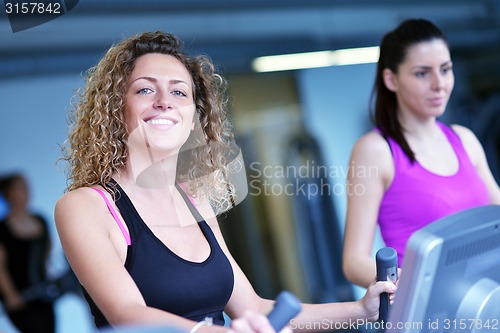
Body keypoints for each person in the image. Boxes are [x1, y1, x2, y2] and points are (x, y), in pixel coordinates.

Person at [54, 31, 396, 332]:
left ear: (191, 119)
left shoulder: (195, 201)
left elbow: (254, 309)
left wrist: (361, 310)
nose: (163, 102)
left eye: (178, 93)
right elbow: (129, 314)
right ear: (117, 107)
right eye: (145, 90)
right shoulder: (87, 207)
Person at [342, 18, 500, 288]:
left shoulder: (465, 139)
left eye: (446, 69)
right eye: (422, 73)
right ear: (391, 79)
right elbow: (354, 262)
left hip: (485, 301)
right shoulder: (375, 151)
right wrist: (414, 285)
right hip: (428, 312)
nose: (439, 84)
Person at [0, 173, 56, 333]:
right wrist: (10, 295)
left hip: (43, 294)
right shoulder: (2, 229)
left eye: (26, 187)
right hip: (19, 298)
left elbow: (47, 251)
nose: (26, 191)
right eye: (20, 188)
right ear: (8, 193)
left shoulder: (41, 220)